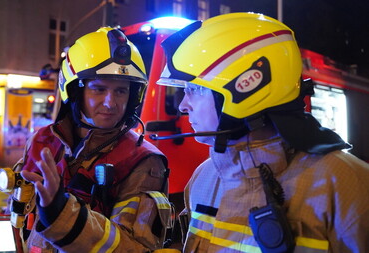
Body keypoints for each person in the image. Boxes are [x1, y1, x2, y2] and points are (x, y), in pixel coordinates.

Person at [156, 13, 369, 252]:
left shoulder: (348, 186)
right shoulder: (204, 177)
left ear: (246, 89)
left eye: (194, 89)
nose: (183, 106)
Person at [12, 27, 172, 252]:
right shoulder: (42, 140)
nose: (110, 102)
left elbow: (135, 247)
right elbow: (19, 215)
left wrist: (64, 217)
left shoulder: (143, 161)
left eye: (121, 91)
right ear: (75, 93)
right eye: (99, 89)